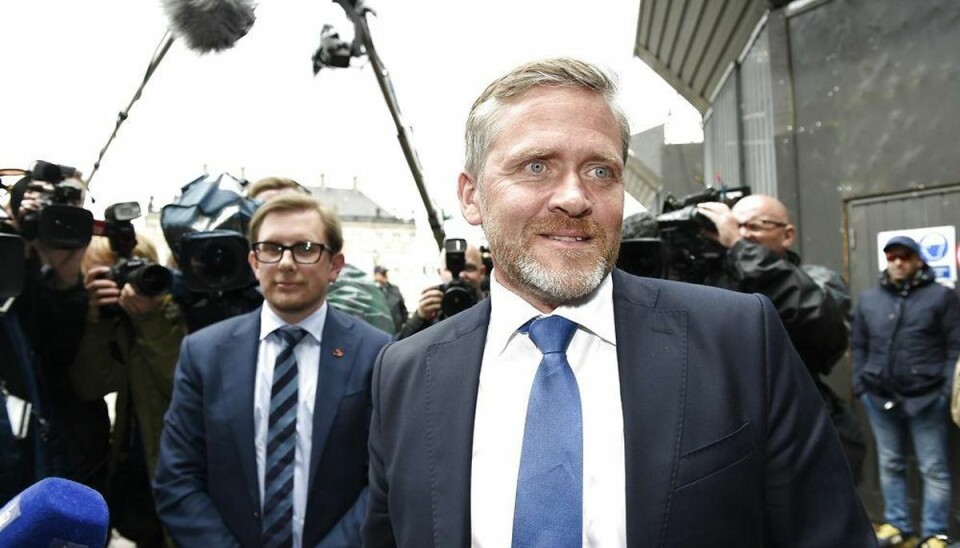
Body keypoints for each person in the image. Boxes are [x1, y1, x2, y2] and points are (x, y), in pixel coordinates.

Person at [362, 58, 875, 547]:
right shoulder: (405, 373)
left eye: (601, 171)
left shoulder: (738, 339)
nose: (574, 197)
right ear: (471, 197)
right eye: (536, 166)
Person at [154, 194, 391, 547]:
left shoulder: (377, 353)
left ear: (335, 265)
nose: (286, 263)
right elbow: (177, 479)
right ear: (253, 262)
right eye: (271, 249)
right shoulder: (203, 354)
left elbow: (384, 482)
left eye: (306, 248)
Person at [696, 194, 864, 481]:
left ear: (787, 236)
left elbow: (820, 323)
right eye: (736, 225)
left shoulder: (818, 281)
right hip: (726, 437)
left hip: (798, 434)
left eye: (755, 226)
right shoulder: (716, 282)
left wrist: (740, 247)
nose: (742, 233)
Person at [0, 173, 110, 503]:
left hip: (69, 455)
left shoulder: (75, 283)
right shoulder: (11, 257)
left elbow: (59, 362)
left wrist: (66, 277)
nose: (60, 221)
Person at [70, 234, 185, 546]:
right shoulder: (115, 324)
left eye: (129, 271)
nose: (121, 286)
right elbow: (91, 385)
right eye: (105, 277)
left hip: (178, 475)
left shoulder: (179, 313)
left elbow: (179, 387)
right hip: (135, 474)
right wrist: (97, 321)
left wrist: (151, 319)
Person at [853, 235, 960, 548]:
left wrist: (944, 393)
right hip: (878, 396)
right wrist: (860, 383)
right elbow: (858, 344)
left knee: (934, 468)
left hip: (927, 398)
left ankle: (934, 533)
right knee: (890, 463)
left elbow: (955, 345)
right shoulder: (870, 299)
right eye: (892, 257)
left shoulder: (942, 297)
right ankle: (898, 525)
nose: (898, 262)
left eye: (904, 256)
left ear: (917, 261)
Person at [395, 243, 487, 340]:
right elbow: (399, 350)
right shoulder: (432, 308)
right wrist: (419, 318)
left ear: (482, 272)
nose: (460, 274)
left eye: (469, 268)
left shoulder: (493, 306)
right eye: (451, 268)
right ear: (440, 272)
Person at [373, 266, 408, 333]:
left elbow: (403, 309)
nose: (385, 276)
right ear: (376, 275)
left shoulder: (394, 289)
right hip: (381, 330)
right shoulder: (373, 291)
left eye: (385, 273)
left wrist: (405, 323)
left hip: (398, 329)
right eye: (382, 274)